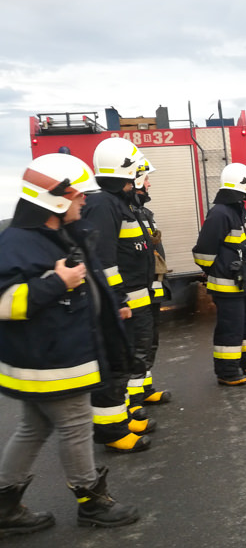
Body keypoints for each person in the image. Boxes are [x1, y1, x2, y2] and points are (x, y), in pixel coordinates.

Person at [0, 154, 139, 536]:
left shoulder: (55, 235)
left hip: (49, 356)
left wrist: (113, 310)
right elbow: (4, 302)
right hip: (52, 361)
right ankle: (92, 502)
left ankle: (4, 508)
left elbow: (88, 282)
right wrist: (56, 284)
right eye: (80, 198)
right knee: (77, 425)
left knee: (32, 429)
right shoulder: (19, 243)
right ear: (58, 200)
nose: (85, 203)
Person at [81, 137, 155, 452]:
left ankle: (122, 418)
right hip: (121, 304)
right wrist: (118, 302)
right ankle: (112, 432)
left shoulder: (118, 203)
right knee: (116, 363)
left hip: (134, 298)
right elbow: (102, 260)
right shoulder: (103, 205)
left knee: (128, 361)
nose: (140, 179)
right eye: (136, 172)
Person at [192, 162, 246, 386]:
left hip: (245, 281)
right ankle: (227, 372)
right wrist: (218, 270)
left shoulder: (237, 210)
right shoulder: (220, 213)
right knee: (231, 328)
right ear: (242, 185)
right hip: (227, 285)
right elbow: (202, 253)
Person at [127, 159, 172, 410]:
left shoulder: (142, 213)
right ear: (134, 180)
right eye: (145, 179)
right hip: (136, 292)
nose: (149, 183)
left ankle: (144, 389)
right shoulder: (127, 212)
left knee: (149, 341)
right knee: (138, 344)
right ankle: (132, 400)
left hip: (150, 288)